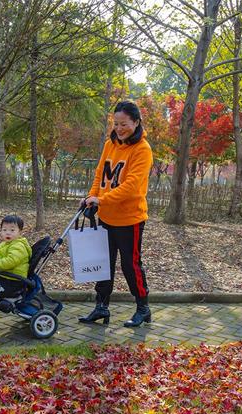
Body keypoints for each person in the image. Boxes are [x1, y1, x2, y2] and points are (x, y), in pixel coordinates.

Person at [79, 100, 153, 328]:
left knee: (131, 266)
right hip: (106, 217)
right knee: (103, 264)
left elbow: (131, 186)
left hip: (130, 219)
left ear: (136, 122)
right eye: (116, 124)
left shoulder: (142, 150)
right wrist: (91, 197)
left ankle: (143, 308)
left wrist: (101, 199)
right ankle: (101, 306)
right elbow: (100, 174)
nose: (119, 129)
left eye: (124, 124)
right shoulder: (109, 144)